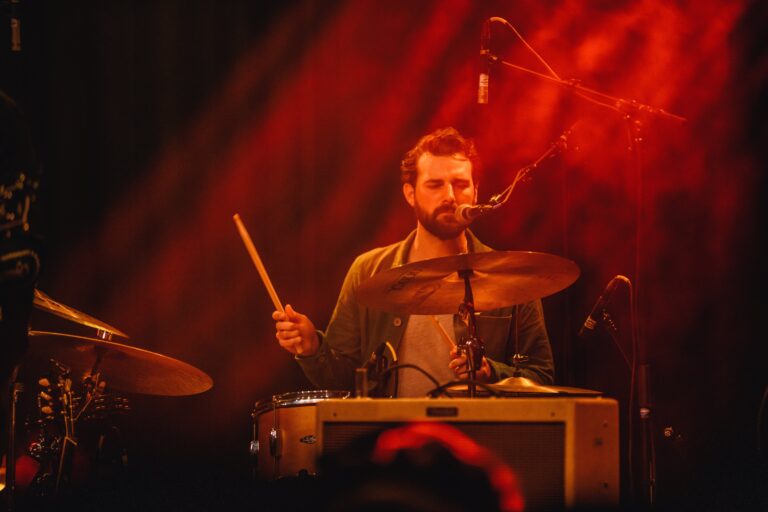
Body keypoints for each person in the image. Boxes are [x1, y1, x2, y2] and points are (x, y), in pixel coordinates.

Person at [273, 127, 554, 396]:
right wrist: (313, 348)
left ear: (476, 191)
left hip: (475, 430)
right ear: (410, 193)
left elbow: (541, 377)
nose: (450, 197)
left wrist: (490, 373)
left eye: (460, 184)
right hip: (392, 428)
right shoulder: (368, 271)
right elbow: (345, 379)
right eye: (435, 185)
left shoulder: (512, 278)